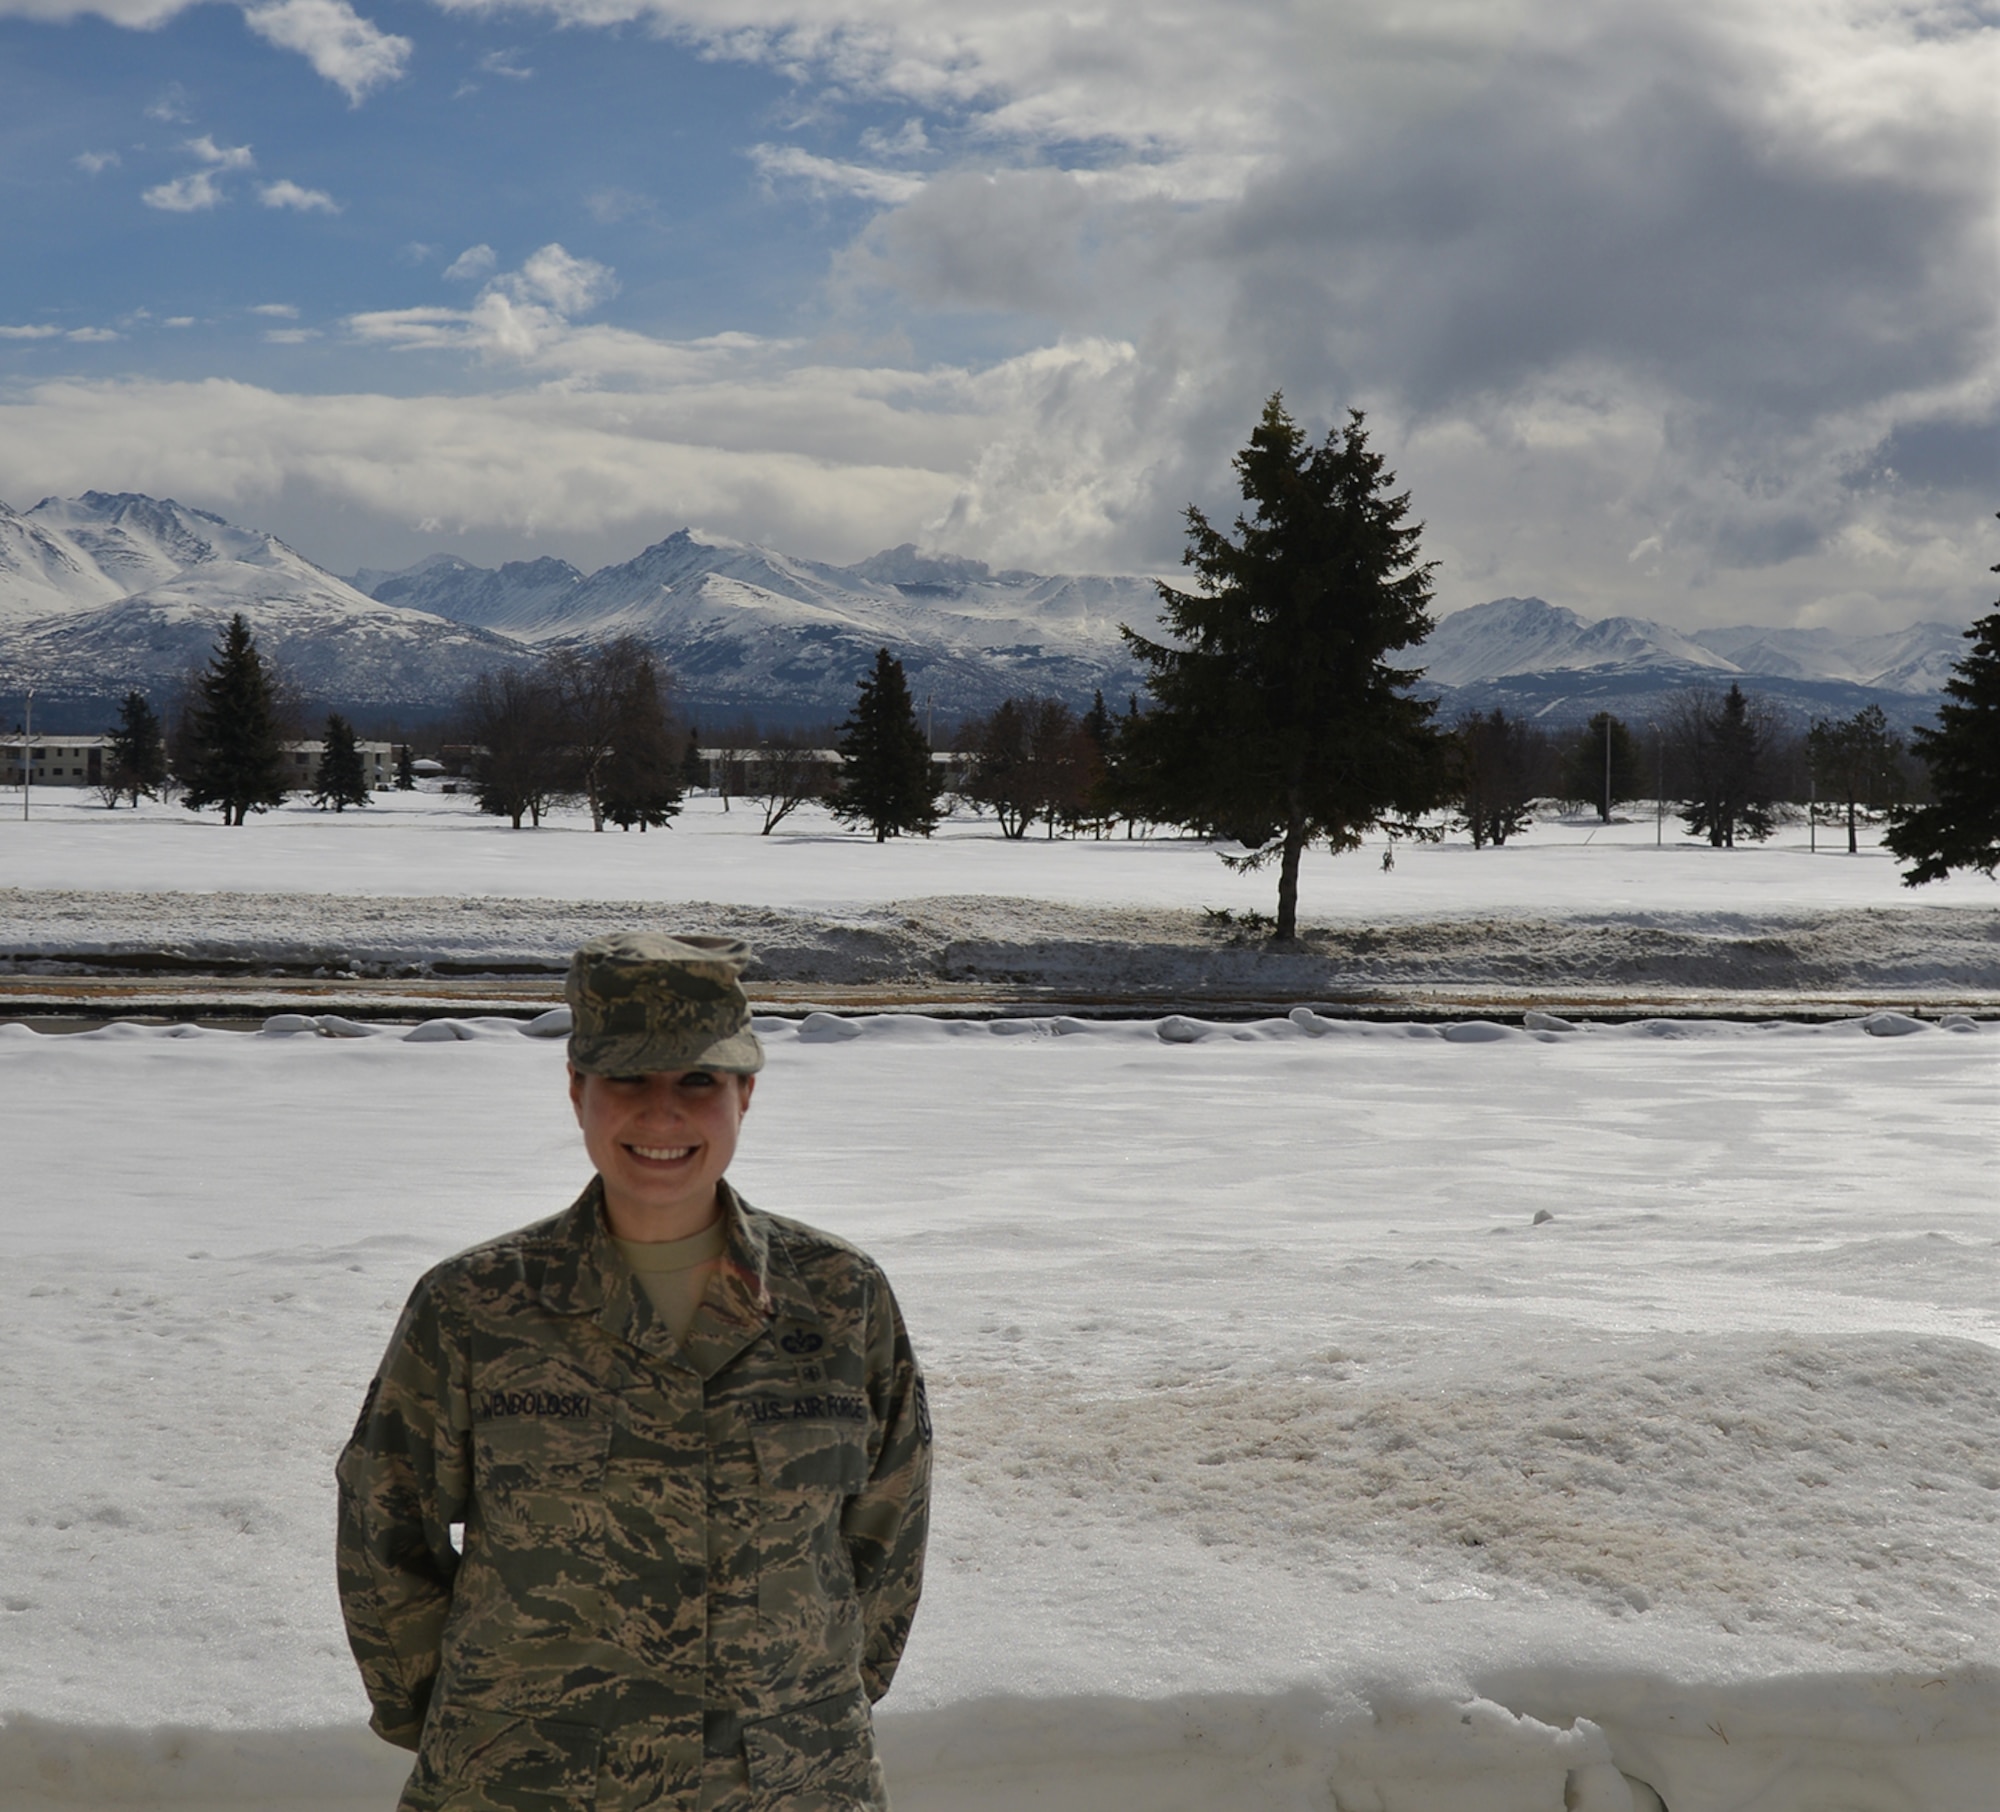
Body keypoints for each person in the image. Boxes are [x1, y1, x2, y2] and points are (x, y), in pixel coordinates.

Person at [337, 932, 932, 1812]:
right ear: (577, 1090)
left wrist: (807, 1711)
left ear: (747, 1095)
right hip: (528, 1783)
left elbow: (888, 1535)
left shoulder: (839, 1299)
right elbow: (386, 1533)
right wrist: (484, 1724)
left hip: (787, 1783)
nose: (663, 1116)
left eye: (698, 1080)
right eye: (628, 1079)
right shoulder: (475, 1306)